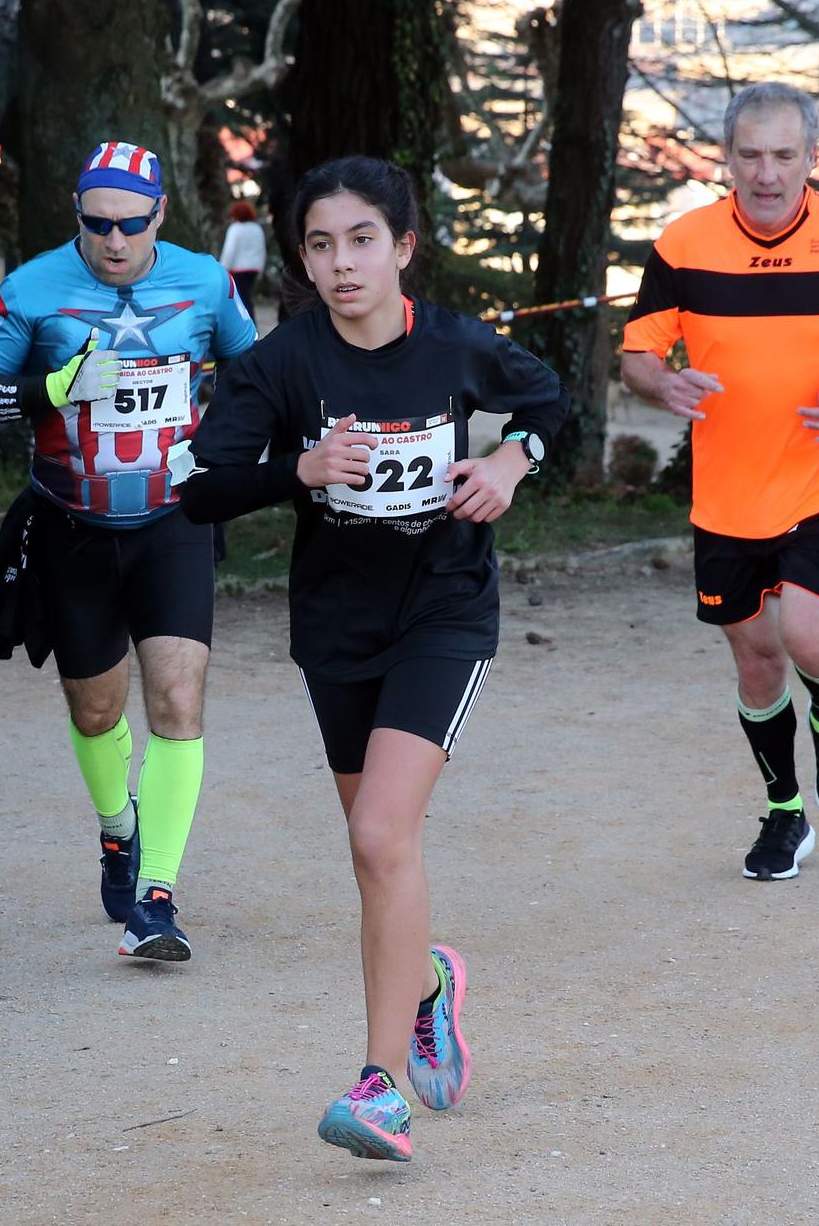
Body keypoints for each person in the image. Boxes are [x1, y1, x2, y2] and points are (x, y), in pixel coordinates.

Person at [177, 155, 567, 1162]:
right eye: (318, 244)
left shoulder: (453, 346)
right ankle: (428, 982)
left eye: (360, 240)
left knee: (380, 834)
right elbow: (200, 489)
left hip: (444, 610)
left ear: (401, 247)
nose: (340, 263)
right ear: (301, 259)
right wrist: (297, 469)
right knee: (375, 845)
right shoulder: (279, 366)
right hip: (338, 627)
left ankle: (378, 1087)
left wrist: (507, 464)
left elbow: (547, 401)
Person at [0, 140, 258, 960]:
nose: (114, 242)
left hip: (173, 523)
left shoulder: (203, 282)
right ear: (77, 216)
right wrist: (48, 389)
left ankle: (156, 898)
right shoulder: (33, 288)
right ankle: (116, 830)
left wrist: (224, 450)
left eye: (130, 225)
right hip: (71, 527)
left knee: (178, 702)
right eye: (97, 225)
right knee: (96, 709)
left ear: (160, 214)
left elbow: (255, 374)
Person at [620, 82, 819, 882]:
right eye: (751, 154)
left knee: (807, 635)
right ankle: (785, 811)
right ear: (727, 160)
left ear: (814, 158)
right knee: (755, 661)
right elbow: (638, 355)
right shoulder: (683, 246)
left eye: (785, 155)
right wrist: (660, 384)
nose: (768, 172)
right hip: (727, 496)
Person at [219, 199, 267, 322]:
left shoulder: (235, 229)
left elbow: (229, 251)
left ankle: (248, 326)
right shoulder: (257, 229)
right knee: (246, 297)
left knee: (241, 299)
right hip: (253, 269)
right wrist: (260, 269)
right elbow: (261, 249)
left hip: (238, 270)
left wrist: (222, 269)